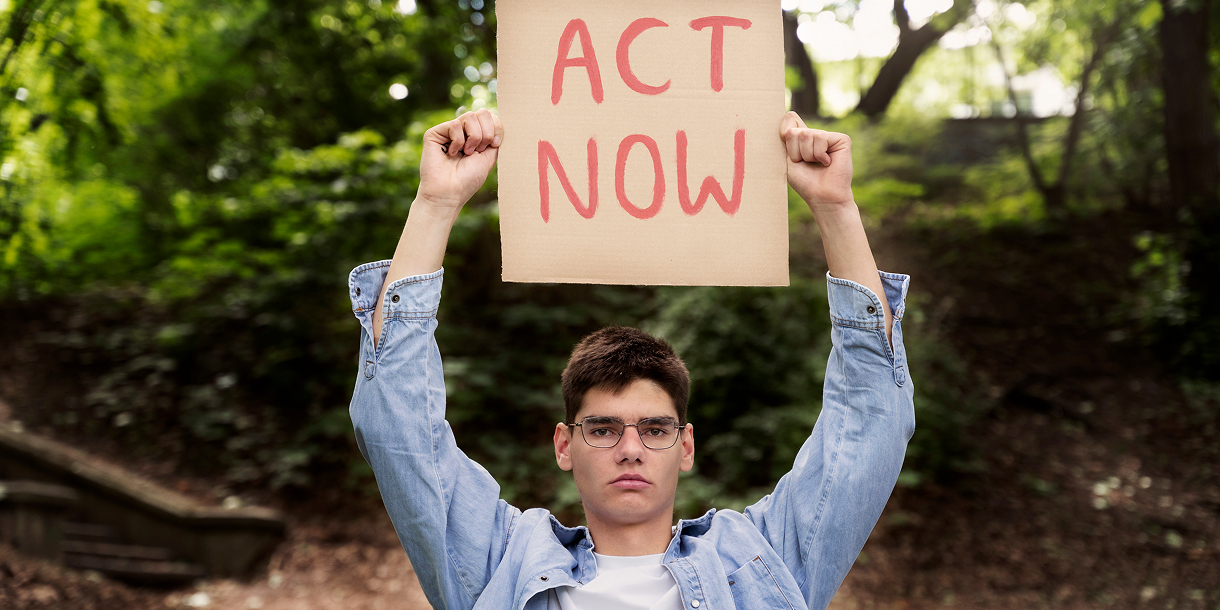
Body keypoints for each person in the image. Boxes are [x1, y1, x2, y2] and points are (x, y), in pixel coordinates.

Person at [347, 107, 914, 610]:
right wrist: (435, 203)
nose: (630, 449)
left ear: (686, 445)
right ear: (564, 445)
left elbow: (868, 427)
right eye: (601, 428)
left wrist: (836, 207)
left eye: (655, 428)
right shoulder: (500, 562)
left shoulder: (757, 564)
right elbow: (396, 425)